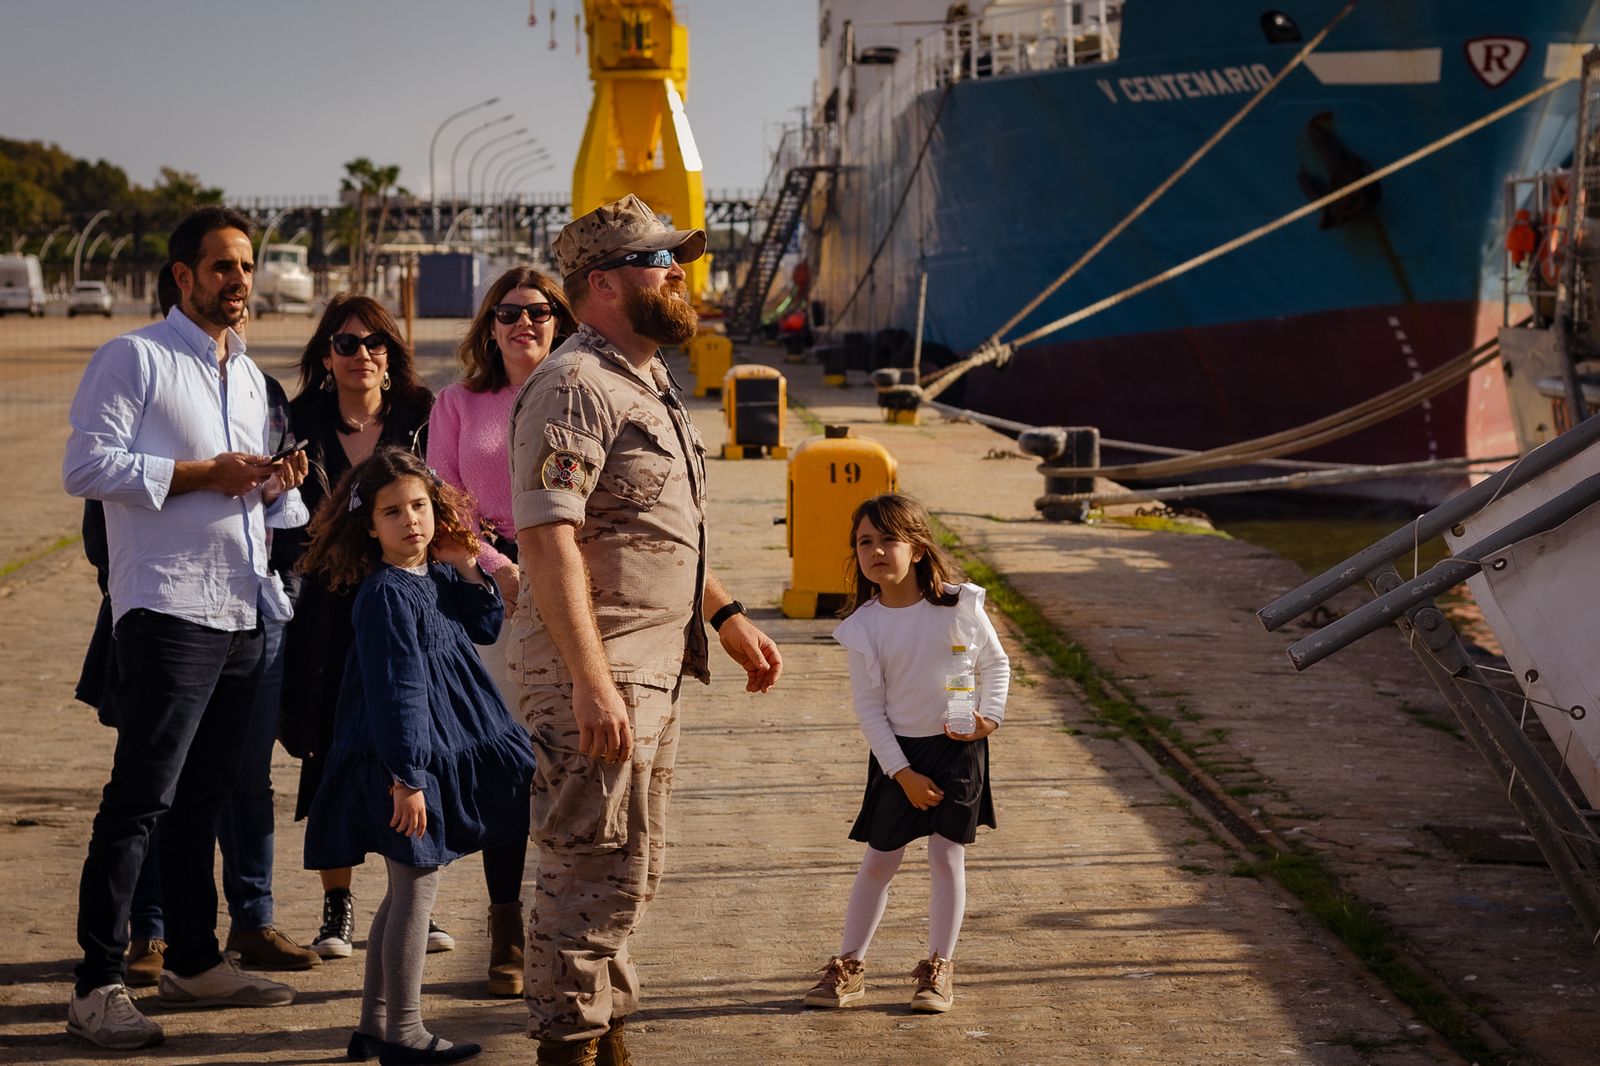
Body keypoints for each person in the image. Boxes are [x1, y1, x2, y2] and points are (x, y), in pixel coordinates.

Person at [509, 193, 783, 1066]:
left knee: (628, 872)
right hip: (600, 673)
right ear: (602, 284)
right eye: (660, 260)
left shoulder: (646, 378)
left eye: (679, 258)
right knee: (585, 869)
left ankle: (607, 1032)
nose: (679, 274)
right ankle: (570, 1043)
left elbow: (658, 527)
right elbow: (548, 537)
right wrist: (590, 681)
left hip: (655, 668)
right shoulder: (574, 384)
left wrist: (728, 614)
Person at [61, 206, 312, 1050]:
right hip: (168, 609)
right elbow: (86, 466)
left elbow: (264, 501)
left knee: (208, 796)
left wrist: (279, 485)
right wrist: (202, 474)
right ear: (184, 276)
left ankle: (196, 961)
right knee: (140, 799)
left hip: (245, 606)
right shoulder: (133, 357)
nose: (239, 282)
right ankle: (95, 984)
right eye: (223, 268)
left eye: (247, 267)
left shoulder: (247, 374)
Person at [299, 447, 536, 1066]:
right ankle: (403, 1031)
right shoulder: (383, 595)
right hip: (405, 758)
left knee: (406, 890)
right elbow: (395, 689)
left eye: (420, 506)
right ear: (369, 526)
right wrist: (409, 778)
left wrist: (465, 566)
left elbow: (485, 625)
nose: (411, 520)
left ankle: (375, 1026)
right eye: (392, 512)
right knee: (416, 888)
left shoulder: (429, 576)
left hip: (439, 745)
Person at [274, 294, 446, 961]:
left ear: (391, 353)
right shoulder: (298, 421)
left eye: (375, 343)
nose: (362, 355)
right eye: (345, 345)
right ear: (326, 356)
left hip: (407, 603)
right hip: (326, 611)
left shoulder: (421, 417)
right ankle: (336, 907)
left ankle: (415, 902)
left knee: (413, 744)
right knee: (331, 753)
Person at [427, 266, 577, 996]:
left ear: (561, 322)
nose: (526, 323)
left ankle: (568, 924)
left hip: (576, 595)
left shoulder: (581, 394)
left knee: (569, 762)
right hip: (489, 603)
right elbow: (439, 508)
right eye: (510, 312)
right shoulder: (458, 404)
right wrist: (499, 565)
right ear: (489, 325)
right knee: (506, 766)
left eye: (541, 312)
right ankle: (506, 927)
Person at [803, 493, 1009, 1014]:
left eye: (887, 540)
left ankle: (938, 968)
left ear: (917, 549)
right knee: (879, 861)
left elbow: (997, 666)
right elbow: (869, 710)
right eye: (864, 542)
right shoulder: (862, 627)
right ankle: (849, 966)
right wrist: (903, 774)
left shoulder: (961, 605)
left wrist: (989, 717)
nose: (875, 551)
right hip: (898, 758)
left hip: (958, 749)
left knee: (946, 856)